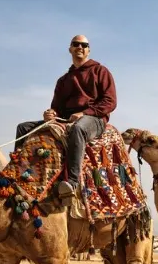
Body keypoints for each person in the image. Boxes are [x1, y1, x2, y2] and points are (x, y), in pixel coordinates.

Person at [14, 34, 116, 205]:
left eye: (84, 45)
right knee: (23, 128)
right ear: (70, 49)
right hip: (66, 119)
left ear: (88, 50)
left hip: (94, 118)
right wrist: (51, 114)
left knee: (78, 129)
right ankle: (18, 172)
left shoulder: (100, 71)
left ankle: (72, 183)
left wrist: (85, 113)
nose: (80, 47)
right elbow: (57, 107)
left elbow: (110, 101)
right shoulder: (63, 80)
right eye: (76, 44)